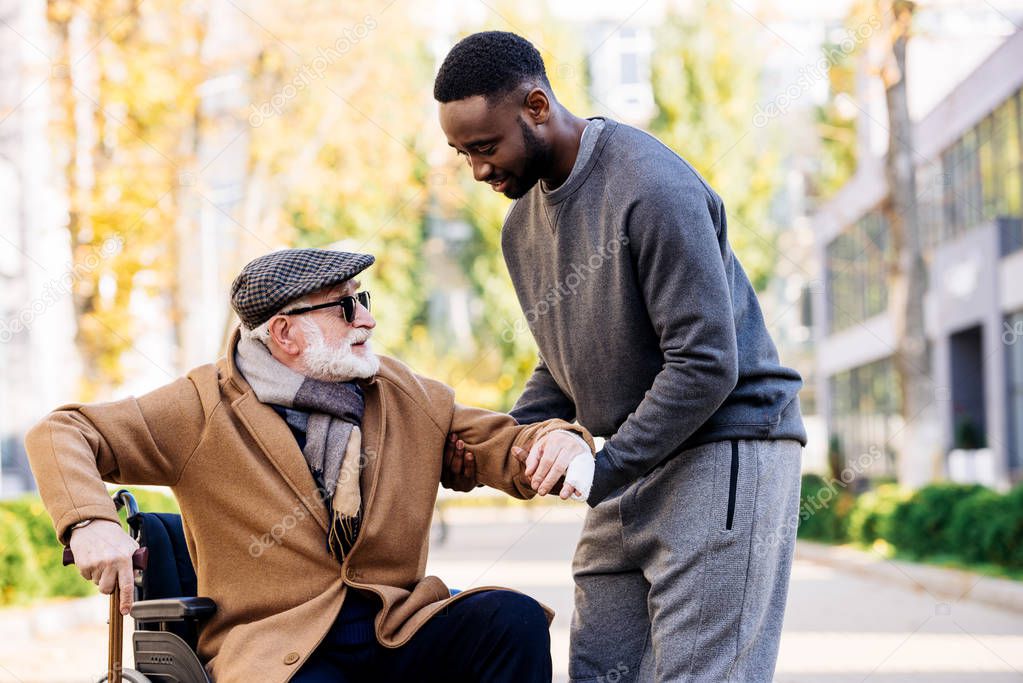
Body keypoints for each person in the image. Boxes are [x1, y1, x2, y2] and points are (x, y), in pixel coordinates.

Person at [25, 247, 595, 683]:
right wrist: (90, 521)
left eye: (364, 300)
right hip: (277, 648)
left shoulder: (402, 393)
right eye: (347, 307)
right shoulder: (200, 407)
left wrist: (558, 442)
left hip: (392, 626)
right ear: (285, 332)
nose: (366, 321)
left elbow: (505, 445)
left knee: (511, 620)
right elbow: (62, 430)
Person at [435, 31, 807, 683]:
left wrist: (602, 467)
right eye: (462, 153)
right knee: (600, 667)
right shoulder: (520, 227)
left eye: (486, 147)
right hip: (625, 461)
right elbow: (561, 363)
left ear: (536, 105)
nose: (477, 170)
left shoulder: (649, 186)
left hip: (725, 446)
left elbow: (704, 363)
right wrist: (498, 445)